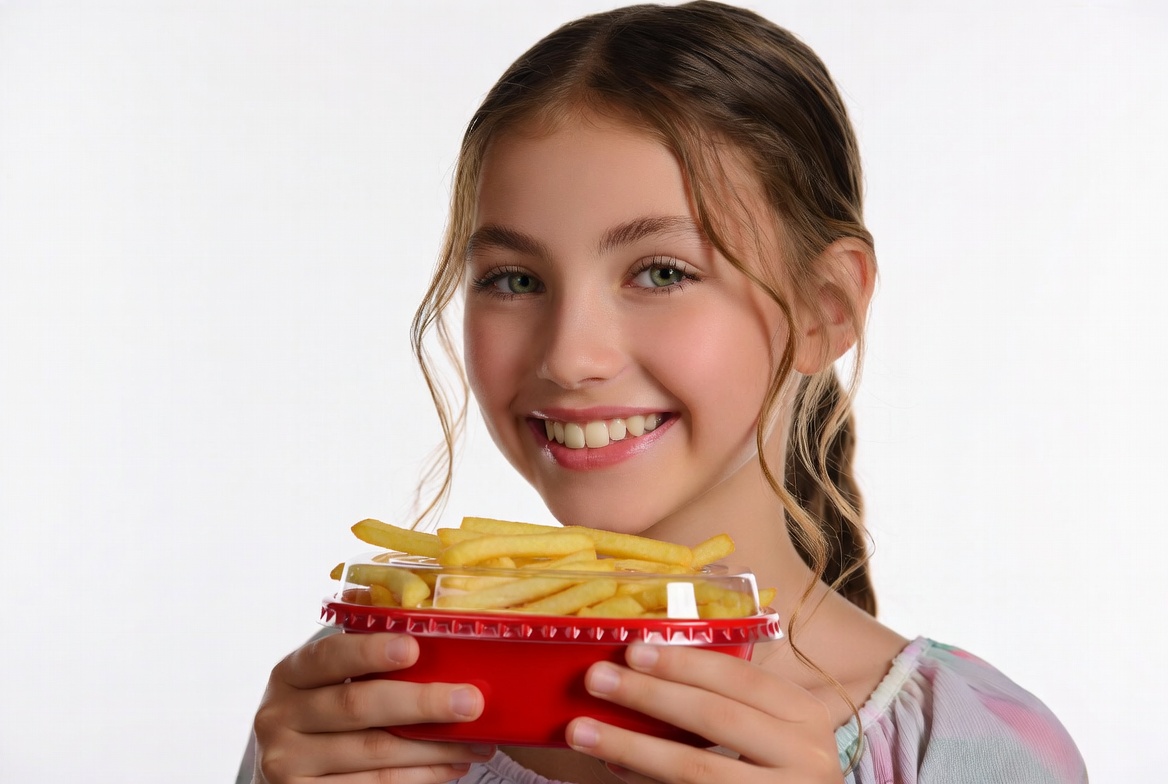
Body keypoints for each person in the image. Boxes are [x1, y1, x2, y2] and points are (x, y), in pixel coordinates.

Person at [243, 2, 1087, 782]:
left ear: (823, 310)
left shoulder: (973, 749)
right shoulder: (359, 702)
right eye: (512, 278)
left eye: (661, 271)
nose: (571, 357)